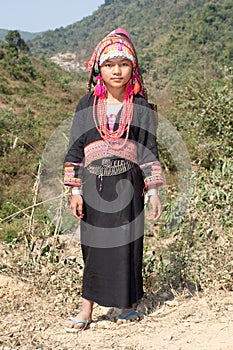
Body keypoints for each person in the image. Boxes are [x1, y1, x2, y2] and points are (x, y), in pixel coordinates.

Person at [63, 28, 163, 332]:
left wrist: (154, 191)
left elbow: (149, 150)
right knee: (93, 246)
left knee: (128, 243)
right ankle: (86, 309)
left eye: (123, 64)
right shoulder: (86, 105)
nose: (116, 70)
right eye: (109, 65)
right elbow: (75, 147)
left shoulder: (142, 108)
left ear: (133, 68)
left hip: (129, 186)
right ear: (99, 70)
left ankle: (126, 305)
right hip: (94, 186)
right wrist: (75, 189)